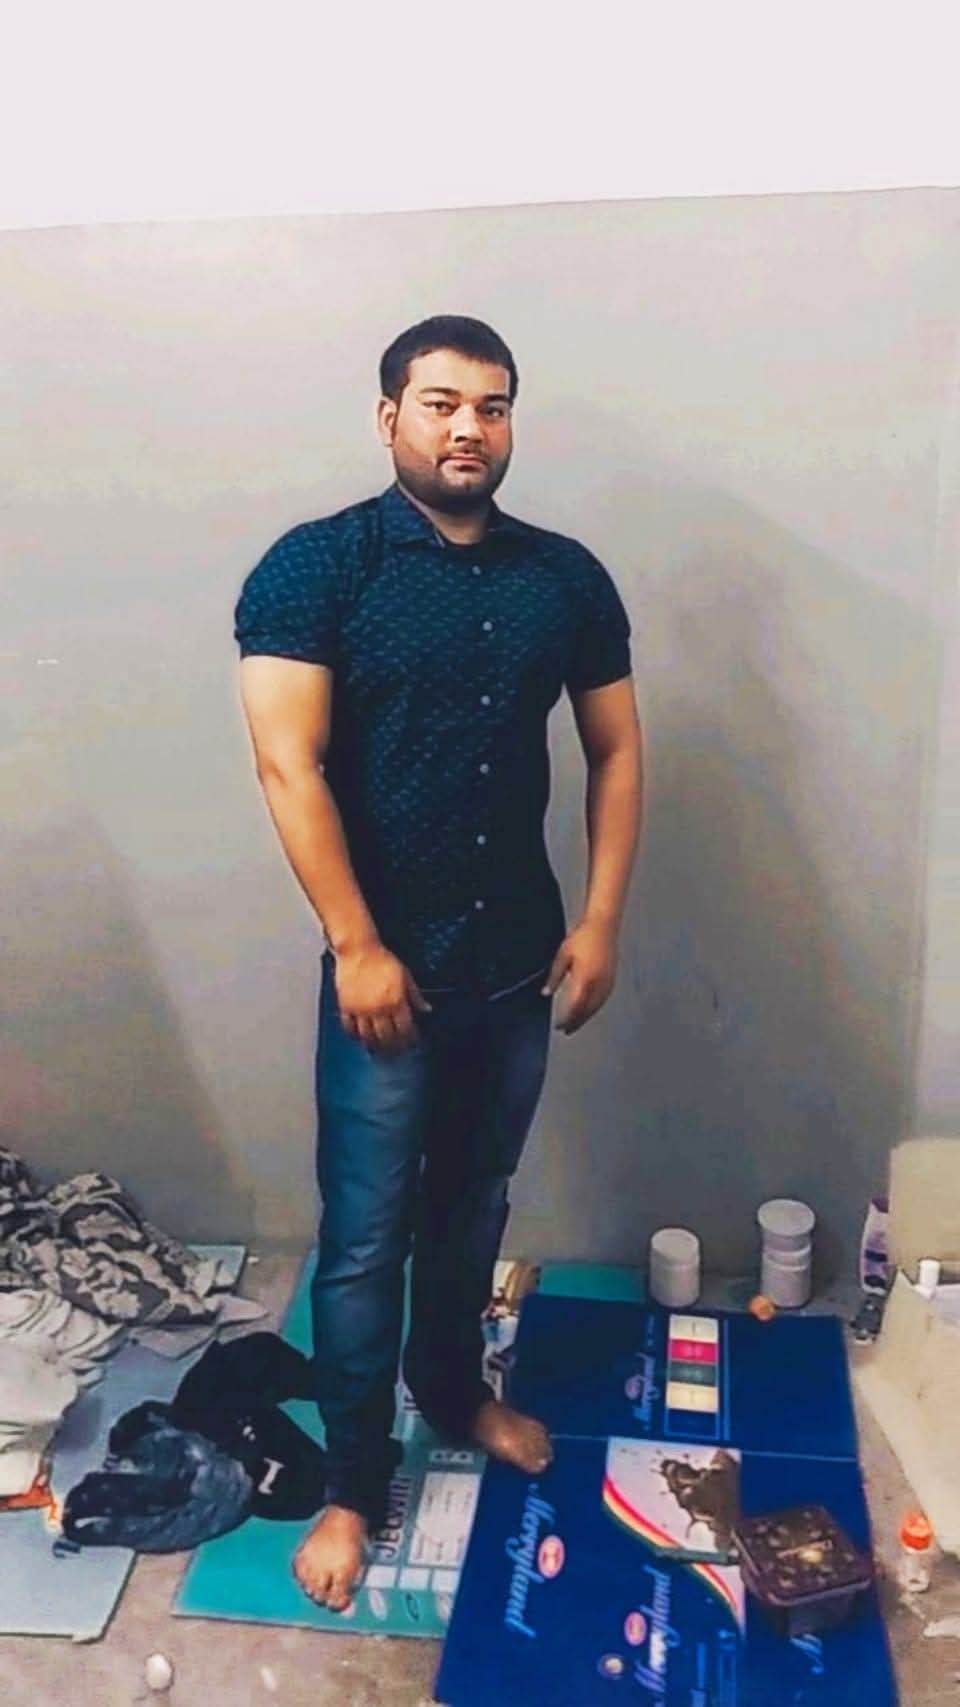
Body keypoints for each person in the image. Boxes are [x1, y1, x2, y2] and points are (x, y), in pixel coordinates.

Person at [234, 314, 643, 1611]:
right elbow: (287, 763)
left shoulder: (564, 578)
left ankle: (455, 1394)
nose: (470, 426)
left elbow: (616, 751)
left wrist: (600, 922)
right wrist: (354, 944)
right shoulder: (319, 568)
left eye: (494, 406)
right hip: (386, 980)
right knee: (365, 1243)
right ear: (390, 418)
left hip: (514, 966)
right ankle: (356, 1485)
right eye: (442, 402)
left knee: (473, 1207)